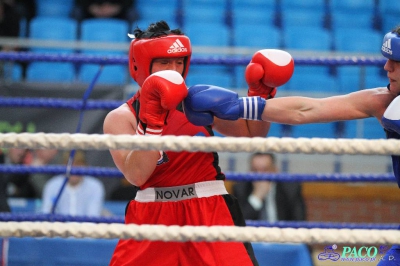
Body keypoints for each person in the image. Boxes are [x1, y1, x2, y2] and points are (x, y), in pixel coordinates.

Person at [183, 26, 400, 265]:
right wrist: (239, 105)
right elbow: (307, 110)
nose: (386, 67)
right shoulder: (383, 102)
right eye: (388, 59)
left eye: (396, 61)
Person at [103, 20, 292, 265]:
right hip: (152, 215)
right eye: (164, 62)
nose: (173, 70)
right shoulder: (121, 118)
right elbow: (137, 176)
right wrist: (152, 121)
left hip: (209, 209)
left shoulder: (197, 102)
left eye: (178, 62)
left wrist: (260, 92)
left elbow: (250, 135)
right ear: (140, 65)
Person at [232, 153, 306, 222]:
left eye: (265, 170)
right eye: (255, 170)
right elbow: (238, 224)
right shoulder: (240, 189)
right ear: (249, 171)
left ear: (275, 170)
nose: (259, 175)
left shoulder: (291, 189)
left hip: (282, 234)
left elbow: (299, 221)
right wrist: (256, 197)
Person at [41, 150, 105, 217]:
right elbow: (48, 214)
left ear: (85, 166)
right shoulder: (52, 185)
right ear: (63, 166)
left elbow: (92, 217)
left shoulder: (95, 186)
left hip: (85, 227)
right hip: (58, 227)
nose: (74, 169)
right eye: (70, 165)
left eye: (78, 164)